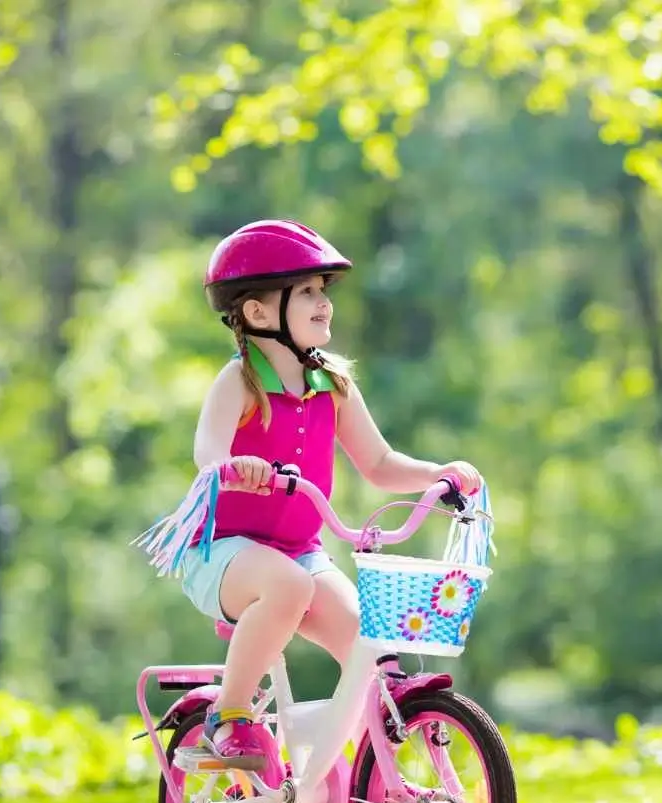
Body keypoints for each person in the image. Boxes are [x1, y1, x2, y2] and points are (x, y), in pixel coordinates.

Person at [176, 219, 482, 770]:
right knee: (288, 586)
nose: (324, 303)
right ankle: (231, 716)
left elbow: (380, 463)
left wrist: (438, 473)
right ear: (259, 313)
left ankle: (367, 779)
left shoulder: (333, 385)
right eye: (308, 292)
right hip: (223, 552)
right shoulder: (240, 381)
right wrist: (232, 467)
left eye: (324, 291)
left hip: (301, 553)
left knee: (371, 645)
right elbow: (207, 453)